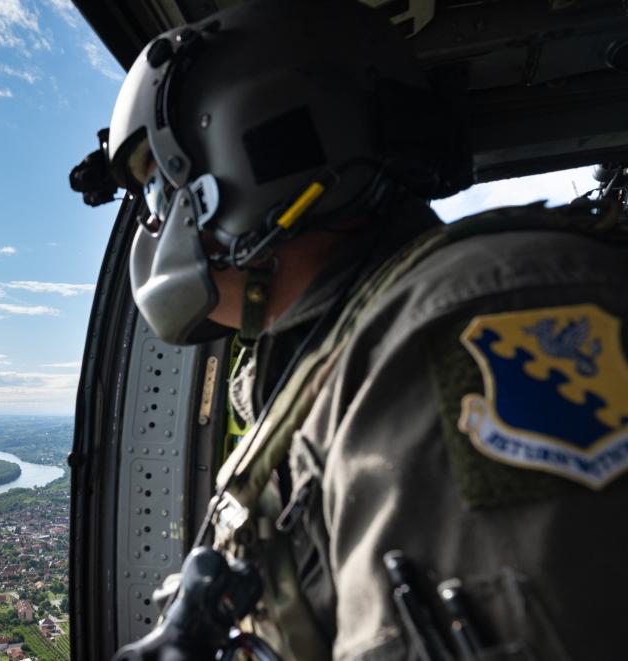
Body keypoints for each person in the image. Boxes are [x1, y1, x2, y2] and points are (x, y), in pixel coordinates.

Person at [80, 0, 628, 658]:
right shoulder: (342, 349)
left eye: (153, 183)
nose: (153, 222)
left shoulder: (460, 333)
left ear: (241, 150)